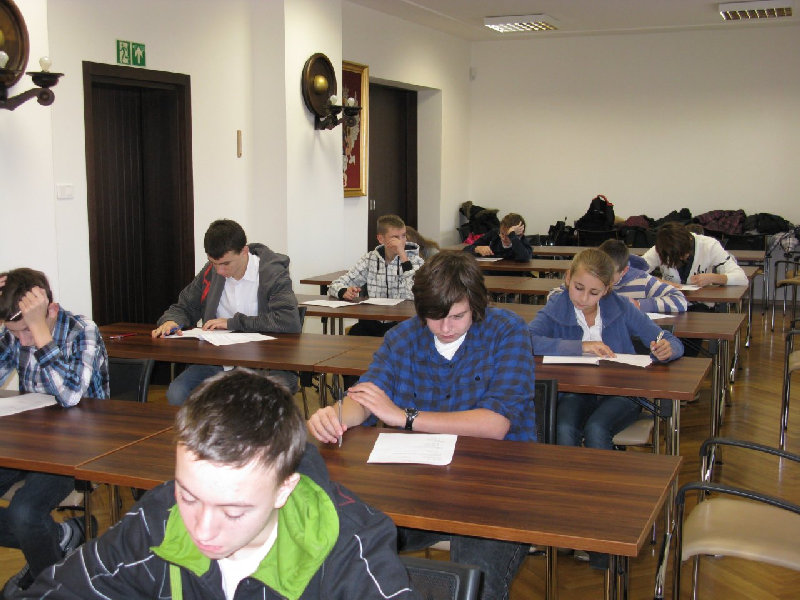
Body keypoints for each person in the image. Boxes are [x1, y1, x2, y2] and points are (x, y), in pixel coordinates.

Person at [19, 369, 419, 600]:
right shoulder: (159, 516)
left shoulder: (351, 544)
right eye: (189, 496)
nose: (203, 531)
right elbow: (58, 591)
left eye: (233, 511)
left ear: (284, 489)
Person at [309, 251, 536, 600]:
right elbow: (367, 396)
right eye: (434, 317)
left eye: (457, 316)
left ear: (476, 305)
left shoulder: (507, 331)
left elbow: (494, 425)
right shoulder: (402, 338)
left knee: (478, 584)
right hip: (418, 483)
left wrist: (405, 416)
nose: (445, 328)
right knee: (336, 537)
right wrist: (335, 415)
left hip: (494, 488)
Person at [0, 268, 109, 596]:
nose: (22, 341)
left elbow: (71, 395)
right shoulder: (16, 333)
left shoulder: (82, 330)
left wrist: (39, 334)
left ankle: (54, 588)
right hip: (29, 442)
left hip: (80, 447)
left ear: (51, 310)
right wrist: (23, 327)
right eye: (15, 332)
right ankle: (59, 539)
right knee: (28, 523)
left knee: (24, 513)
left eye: (26, 330)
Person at [529, 248, 683, 451]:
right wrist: (580, 347)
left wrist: (667, 349)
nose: (584, 298)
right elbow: (526, 340)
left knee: (597, 429)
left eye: (594, 293)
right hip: (575, 392)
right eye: (578, 288)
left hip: (621, 392)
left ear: (607, 289)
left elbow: (669, 340)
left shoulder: (621, 306)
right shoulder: (557, 306)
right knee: (563, 428)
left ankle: (603, 473)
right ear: (568, 278)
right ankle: (569, 473)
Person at [152, 219, 301, 405]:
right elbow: (184, 307)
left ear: (244, 251)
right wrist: (171, 321)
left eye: (225, 264)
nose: (219, 271)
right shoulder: (211, 271)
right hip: (219, 361)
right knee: (177, 392)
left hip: (267, 364)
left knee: (247, 401)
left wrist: (232, 323)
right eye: (213, 263)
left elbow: (288, 320)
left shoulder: (272, 274)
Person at [328, 214, 424, 338]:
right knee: (355, 334)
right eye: (395, 237)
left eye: (403, 236)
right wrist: (343, 291)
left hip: (402, 323)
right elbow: (334, 285)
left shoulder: (416, 261)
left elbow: (417, 294)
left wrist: (404, 258)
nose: (401, 242)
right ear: (381, 239)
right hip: (373, 322)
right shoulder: (370, 259)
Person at [548, 240, 688, 314]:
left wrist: (640, 304)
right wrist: (579, 300)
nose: (603, 276)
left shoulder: (642, 281)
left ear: (624, 271)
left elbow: (680, 300)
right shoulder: (591, 277)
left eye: (610, 273)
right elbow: (552, 297)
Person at [642, 222, 748, 291]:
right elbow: (634, 273)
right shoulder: (662, 248)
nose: (682, 259)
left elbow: (742, 278)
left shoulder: (709, 245)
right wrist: (661, 282)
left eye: (684, 254)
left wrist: (714, 278)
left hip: (702, 304)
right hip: (671, 302)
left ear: (690, 240)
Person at [464, 212, 532, 262]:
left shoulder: (522, 241)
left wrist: (512, 235)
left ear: (520, 235)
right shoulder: (494, 234)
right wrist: (476, 249)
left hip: (515, 275)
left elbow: (524, 258)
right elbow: (466, 250)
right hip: (492, 274)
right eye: (502, 233)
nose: (503, 238)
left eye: (508, 235)